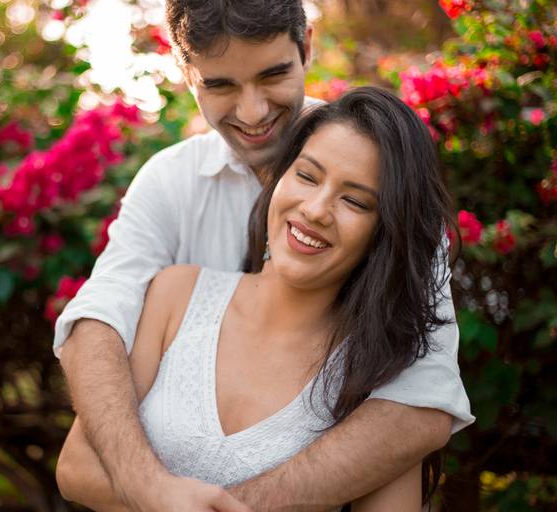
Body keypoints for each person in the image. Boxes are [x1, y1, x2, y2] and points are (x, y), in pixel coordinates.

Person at [55, 2, 474, 510]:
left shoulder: (390, 180)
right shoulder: (170, 192)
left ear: (306, 47)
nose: (252, 113)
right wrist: (151, 489)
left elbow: (418, 405)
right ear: (187, 74)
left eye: (272, 75)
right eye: (220, 85)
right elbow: (98, 321)